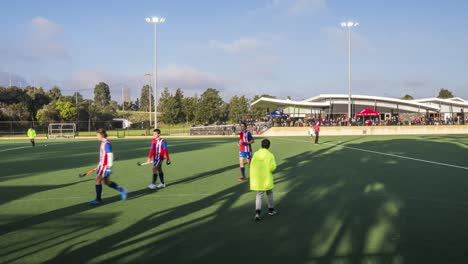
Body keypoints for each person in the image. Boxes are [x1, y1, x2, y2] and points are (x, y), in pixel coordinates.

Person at [89, 128, 127, 205]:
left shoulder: (106, 144)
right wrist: (99, 164)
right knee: (107, 182)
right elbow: (103, 155)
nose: (97, 137)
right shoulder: (103, 143)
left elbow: (110, 155)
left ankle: (98, 199)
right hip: (102, 165)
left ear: (102, 135)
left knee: (98, 180)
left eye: (97, 135)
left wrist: (109, 167)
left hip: (106, 166)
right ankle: (122, 190)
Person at [250, 139, 277, 222]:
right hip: (266, 178)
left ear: (261, 145)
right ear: (268, 146)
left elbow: (252, 165)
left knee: (259, 195)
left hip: (258, 178)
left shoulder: (256, 154)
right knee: (269, 193)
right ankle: (271, 210)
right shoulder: (270, 155)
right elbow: (273, 167)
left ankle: (257, 213)